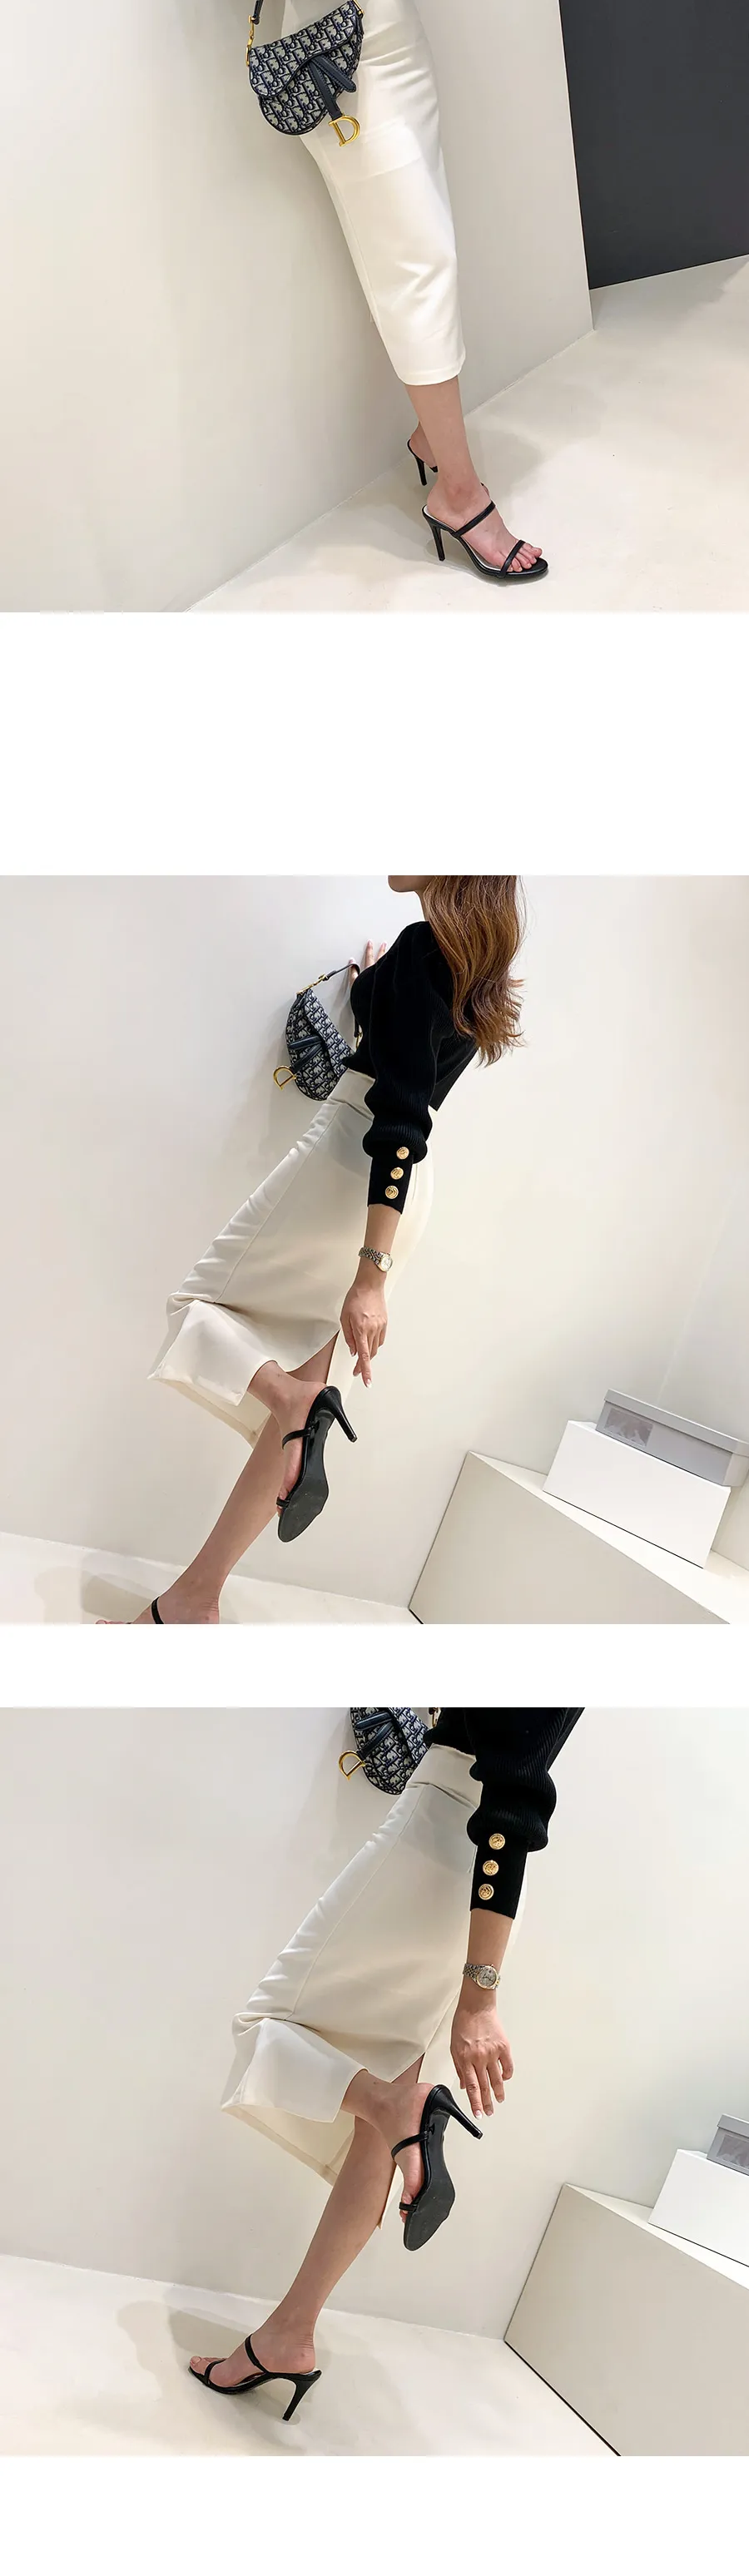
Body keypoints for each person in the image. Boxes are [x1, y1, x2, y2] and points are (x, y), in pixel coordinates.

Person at [122, 877, 524, 1625]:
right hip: (396, 1192)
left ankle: (292, 1400)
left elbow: (398, 1113)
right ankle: (195, 1600)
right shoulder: (471, 964)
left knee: (194, 1310)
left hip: (352, 1165)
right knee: (294, 1413)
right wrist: (375, 986)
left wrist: (370, 1279)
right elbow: (409, 1073)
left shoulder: (426, 950)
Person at [189, 1707, 582, 2417]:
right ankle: (289, 2335)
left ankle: (396, 2105)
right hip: (470, 1877)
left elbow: (515, 1796)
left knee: (265, 2029)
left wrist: (479, 2001)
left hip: (438, 1840)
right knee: (380, 2119)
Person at [208, 0, 547, 584]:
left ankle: (432, 436)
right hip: (332, 42)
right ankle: (459, 494)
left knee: (428, 248)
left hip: (396, 23)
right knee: (416, 261)